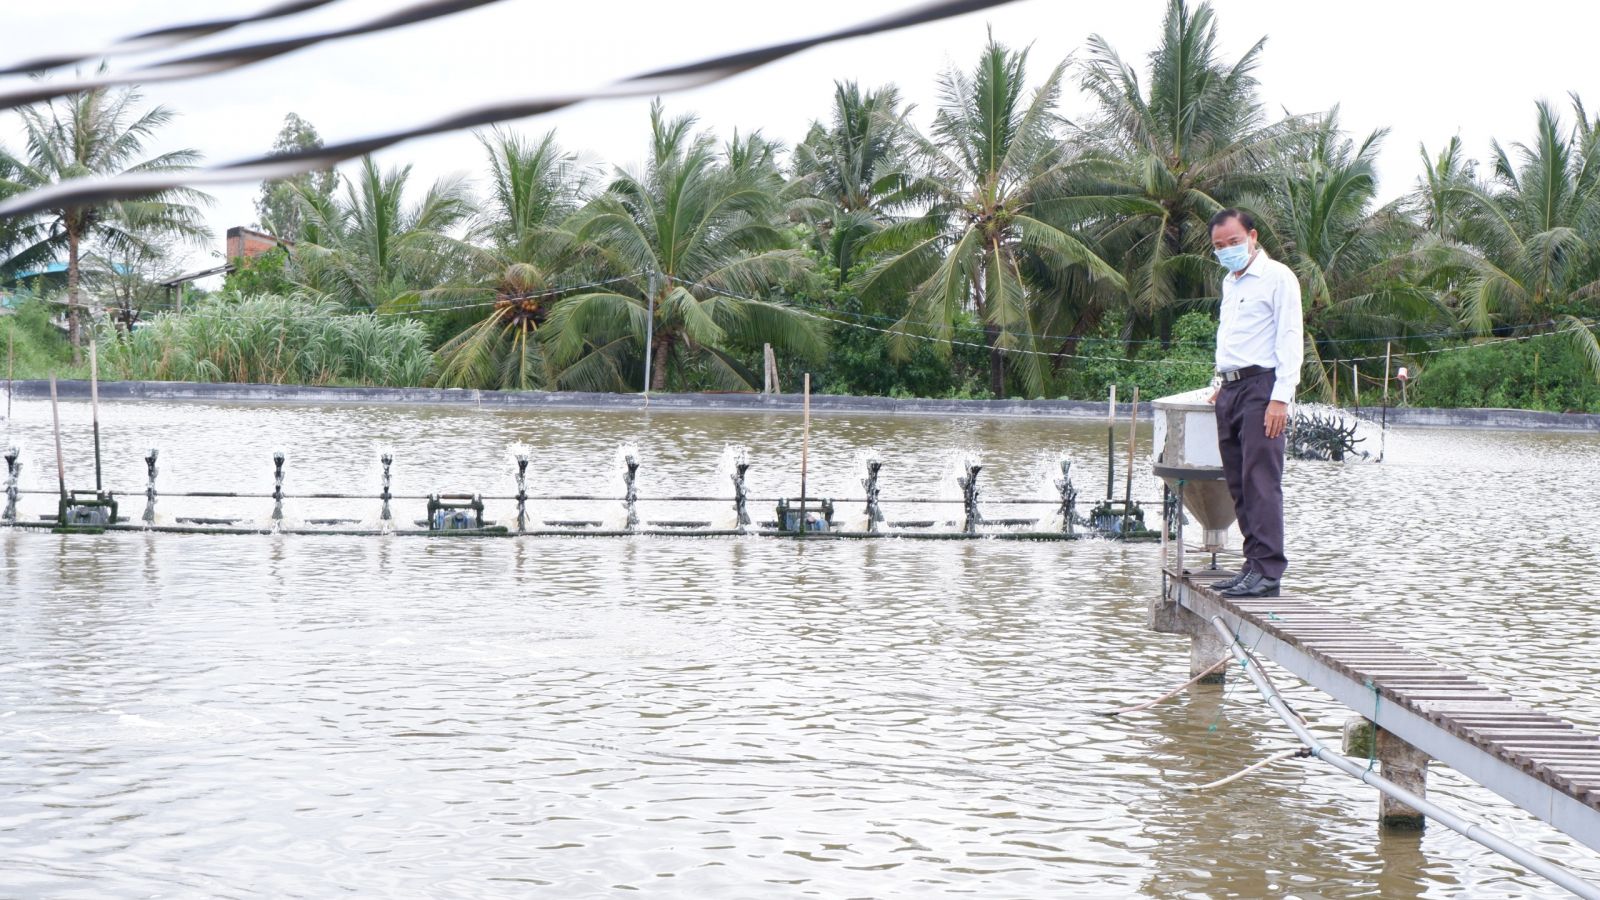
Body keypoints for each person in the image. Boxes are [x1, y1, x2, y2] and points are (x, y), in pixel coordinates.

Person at [1204, 208, 1302, 598]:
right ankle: (1252, 565)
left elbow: (1290, 339)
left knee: (1261, 480)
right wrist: (1220, 383)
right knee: (1238, 482)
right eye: (1218, 246)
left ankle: (1268, 569)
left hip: (1263, 388)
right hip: (1230, 390)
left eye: (1233, 242)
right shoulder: (1231, 282)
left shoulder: (1278, 277)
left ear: (1253, 236)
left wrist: (1280, 398)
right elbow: (1233, 339)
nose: (1227, 250)